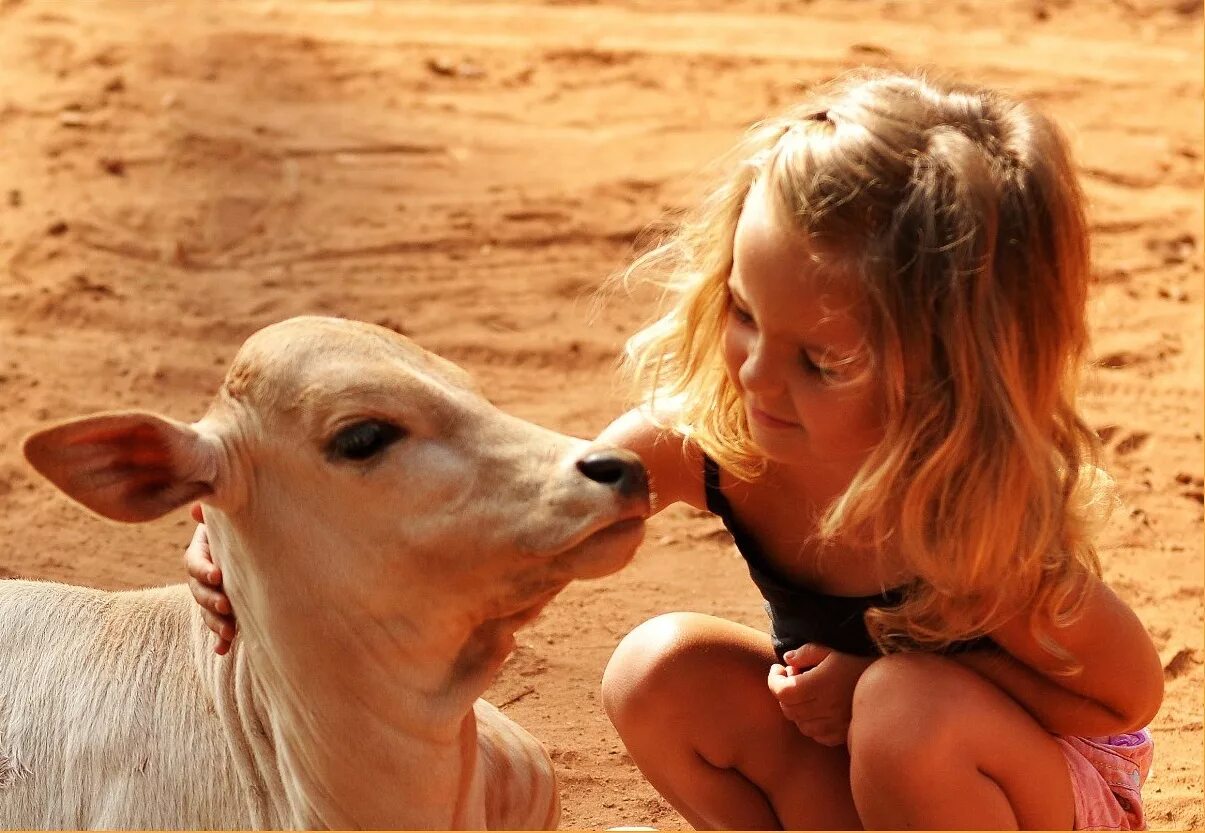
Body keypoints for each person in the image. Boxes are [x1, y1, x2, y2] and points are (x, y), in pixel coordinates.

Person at [183, 70, 1164, 830]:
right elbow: (524, 508)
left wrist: (871, 678)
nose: (754, 375)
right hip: (875, 767)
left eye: (819, 360)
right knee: (657, 669)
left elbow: (1119, 701)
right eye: (741, 312)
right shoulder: (719, 443)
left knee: (909, 708)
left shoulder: (973, 516)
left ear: (949, 371)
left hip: (1028, 789)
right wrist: (243, 527)